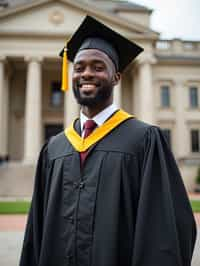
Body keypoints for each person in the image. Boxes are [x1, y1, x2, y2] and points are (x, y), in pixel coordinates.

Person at [20, 16, 196, 266]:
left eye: (98, 67)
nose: (86, 74)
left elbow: (166, 230)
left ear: (116, 77)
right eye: (79, 68)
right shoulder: (54, 148)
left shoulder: (144, 141)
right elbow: (36, 234)